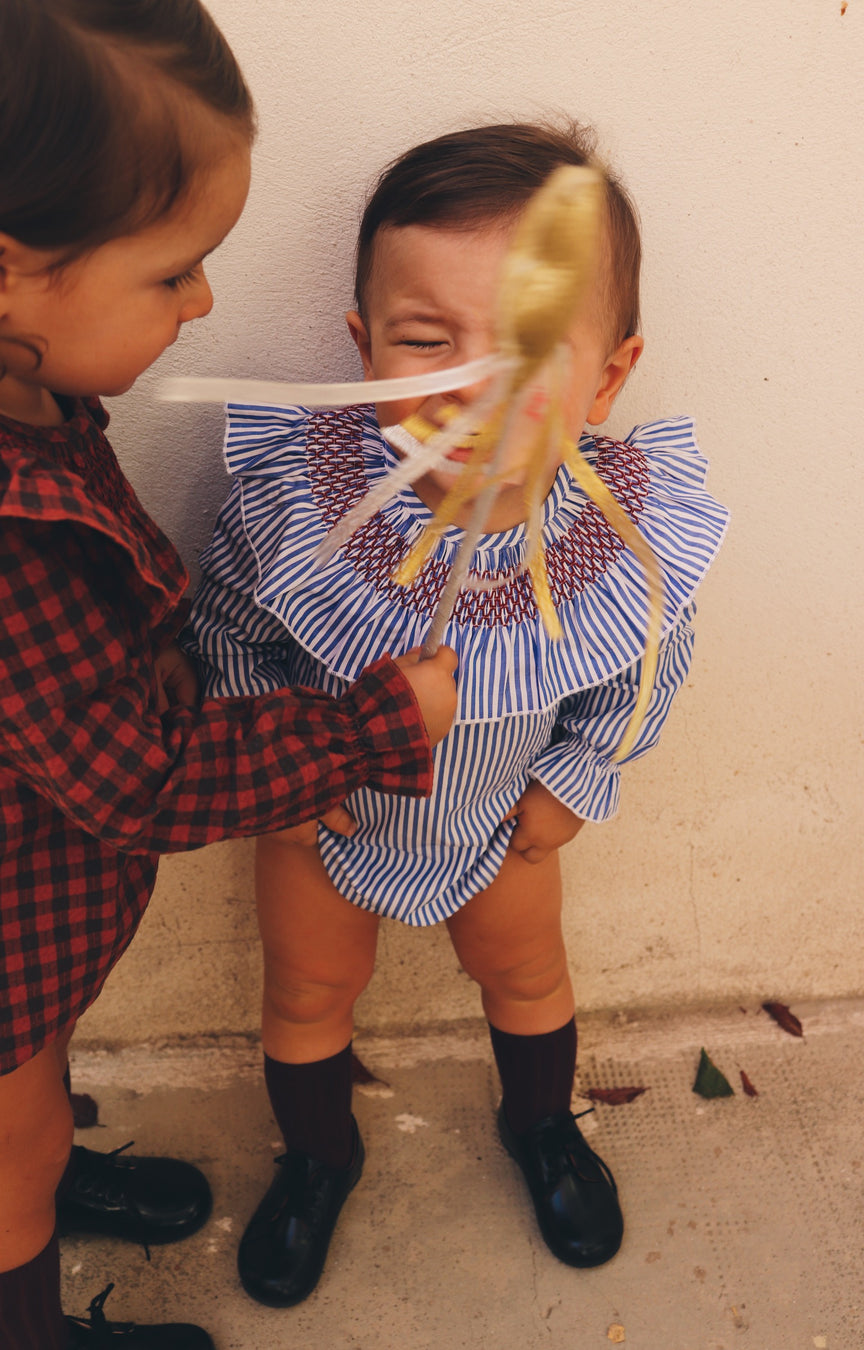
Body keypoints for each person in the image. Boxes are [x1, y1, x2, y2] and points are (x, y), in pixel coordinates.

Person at [189, 121, 729, 1308]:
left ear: (606, 378)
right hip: (326, 825)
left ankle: (542, 1124)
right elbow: (228, 624)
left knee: (527, 970)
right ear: (365, 349)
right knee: (305, 991)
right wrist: (279, 771)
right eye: (426, 344)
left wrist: (576, 781)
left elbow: (646, 659)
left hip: (501, 823)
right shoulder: (302, 501)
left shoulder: (613, 530)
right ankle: (319, 1156)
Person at [0, 5, 458, 1348]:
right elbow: (141, 775)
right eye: (173, 273)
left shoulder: (34, 396)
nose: (202, 301)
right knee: (7, 1140)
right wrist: (372, 722)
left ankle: (47, 1166)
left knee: (36, 1083)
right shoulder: (9, 545)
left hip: (32, 920)